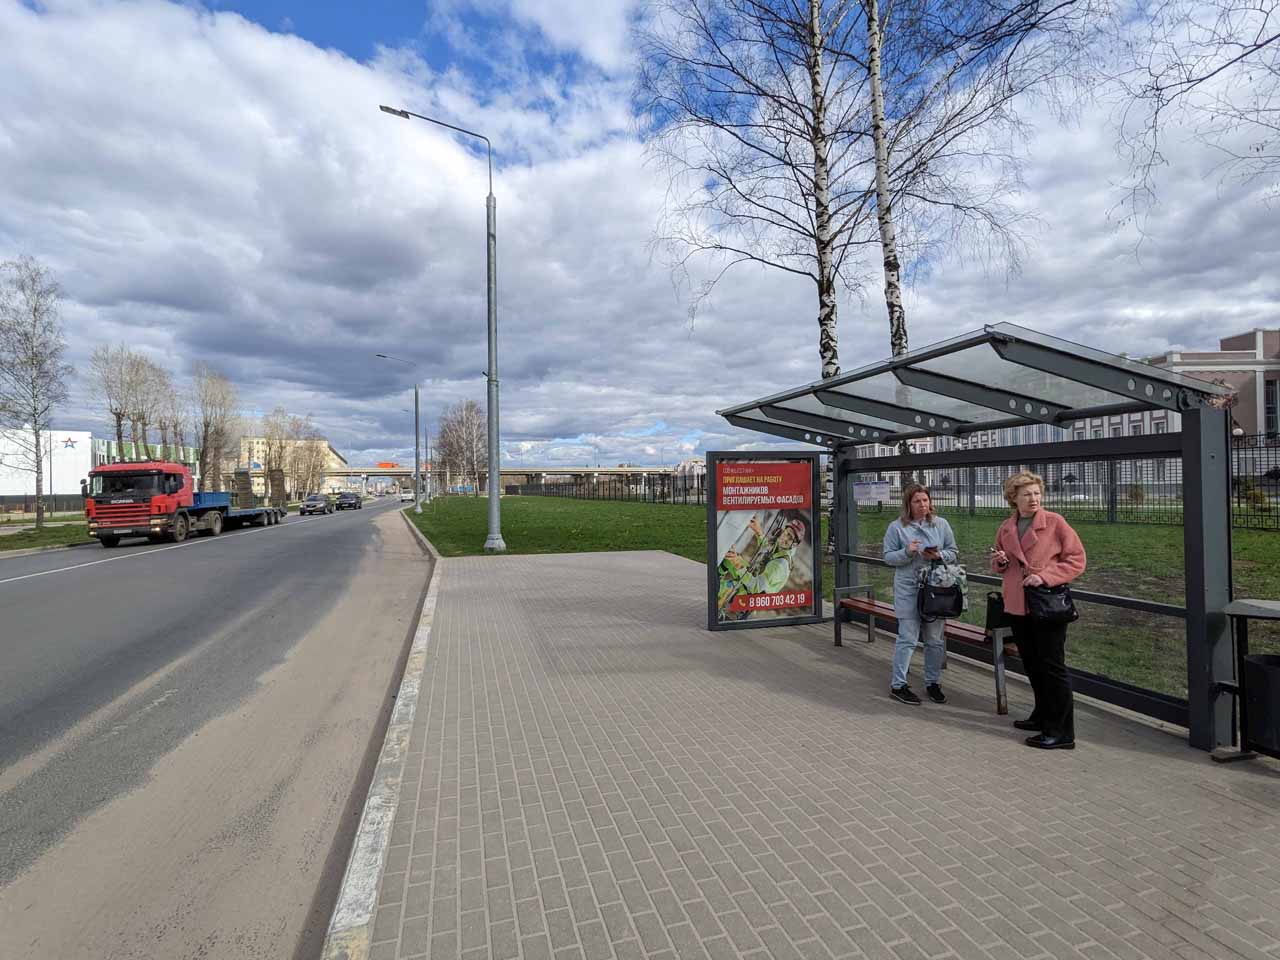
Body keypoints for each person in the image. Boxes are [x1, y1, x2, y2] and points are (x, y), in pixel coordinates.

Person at [991, 471, 1086, 750]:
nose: (1033, 499)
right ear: (1013, 498)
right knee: (1032, 664)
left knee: (1052, 667)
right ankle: (1042, 715)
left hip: (1046, 605)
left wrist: (1044, 576)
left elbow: (1077, 559)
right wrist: (1000, 561)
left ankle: (1062, 732)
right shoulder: (1006, 527)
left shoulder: (1055, 522)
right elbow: (998, 564)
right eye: (1026, 494)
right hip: (1018, 605)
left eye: (1036, 493)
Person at [883, 484, 957, 705]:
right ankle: (898, 685)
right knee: (907, 637)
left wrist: (938, 555)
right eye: (917, 501)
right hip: (908, 589)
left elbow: (953, 552)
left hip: (935, 589)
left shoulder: (941, 524)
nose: (922, 505)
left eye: (925, 500)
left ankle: (933, 682)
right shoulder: (896, 527)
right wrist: (907, 552)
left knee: (934, 639)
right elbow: (888, 557)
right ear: (908, 504)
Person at [718, 514, 806, 617]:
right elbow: (767, 548)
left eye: (790, 537)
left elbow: (756, 586)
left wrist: (738, 564)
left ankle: (723, 609)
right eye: (786, 533)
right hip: (753, 576)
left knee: (723, 588)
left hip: (751, 595)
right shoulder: (781, 548)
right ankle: (717, 577)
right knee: (729, 557)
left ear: (794, 544)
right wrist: (759, 532)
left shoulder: (780, 565)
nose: (784, 538)